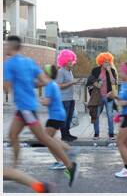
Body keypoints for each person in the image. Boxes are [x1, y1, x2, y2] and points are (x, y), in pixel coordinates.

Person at [3, 36, 79, 187]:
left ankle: (70, 166)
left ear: (11, 47)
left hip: (25, 108)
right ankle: (15, 168)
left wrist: (18, 85)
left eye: (5, 46)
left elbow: (6, 87)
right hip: (25, 108)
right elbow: (44, 81)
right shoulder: (29, 62)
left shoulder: (9, 64)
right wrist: (27, 83)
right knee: (12, 135)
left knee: (44, 138)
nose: (4, 48)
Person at [40, 64, 77, 170]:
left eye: (43, 72)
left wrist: (39, 100)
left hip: (55, 115)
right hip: (58, 114)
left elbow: (47, 102)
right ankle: (69, 150)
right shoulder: (53, 84)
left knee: (46, 140)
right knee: (49, 138)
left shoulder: (49, 86)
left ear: (46, 74)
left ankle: (61, 161)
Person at [90, 52, 117, 140]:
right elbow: (90, 81)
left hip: (108, 96)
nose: (107, 63)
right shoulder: (95, 70)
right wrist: (97, 84)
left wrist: (109, 71)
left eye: (108, 61)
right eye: (105, 61)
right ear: (101, 62)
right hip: (98, 97)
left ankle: (111, 134)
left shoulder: (112, 71)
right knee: (96, 115)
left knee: (110, 115)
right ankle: (96, 134)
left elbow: (114, 82)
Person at [56, 49, 79, 142]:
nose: (71, 62)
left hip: (70, 98)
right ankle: (64, 135)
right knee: (64, 118)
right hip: (63, 99)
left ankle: (67, 134)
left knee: (69, 117)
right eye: (69, 60)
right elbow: (58, 85)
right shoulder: (61, 71)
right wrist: (71, 83)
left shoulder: (69, 71)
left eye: (71, 60)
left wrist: (73, 83)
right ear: (64, 61)